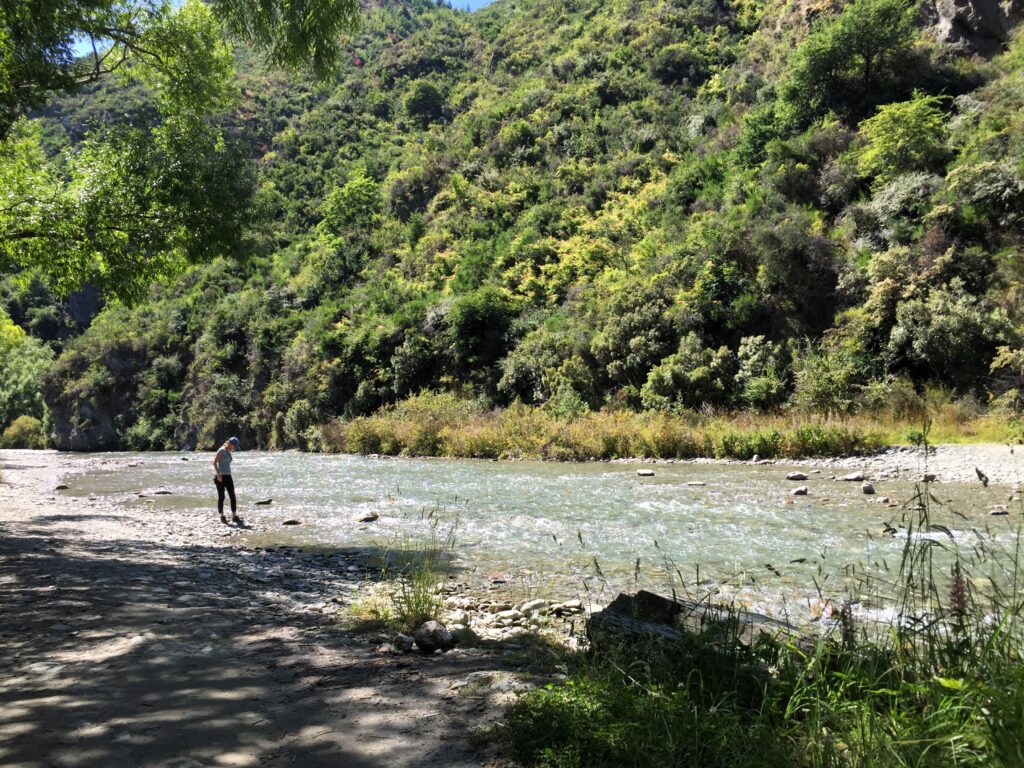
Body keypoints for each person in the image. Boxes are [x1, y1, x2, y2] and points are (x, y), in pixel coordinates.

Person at [213, 436, 243, 525]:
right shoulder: (221, 450)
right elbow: (214, 463)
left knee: (232, 496)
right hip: (220, 477)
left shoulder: (228, 452)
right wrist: (218, 474)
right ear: (230, 444)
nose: (235, 448)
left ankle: (234, 516)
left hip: (228, 476)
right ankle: (222, 516)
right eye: (235, 446)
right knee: (221, 497)